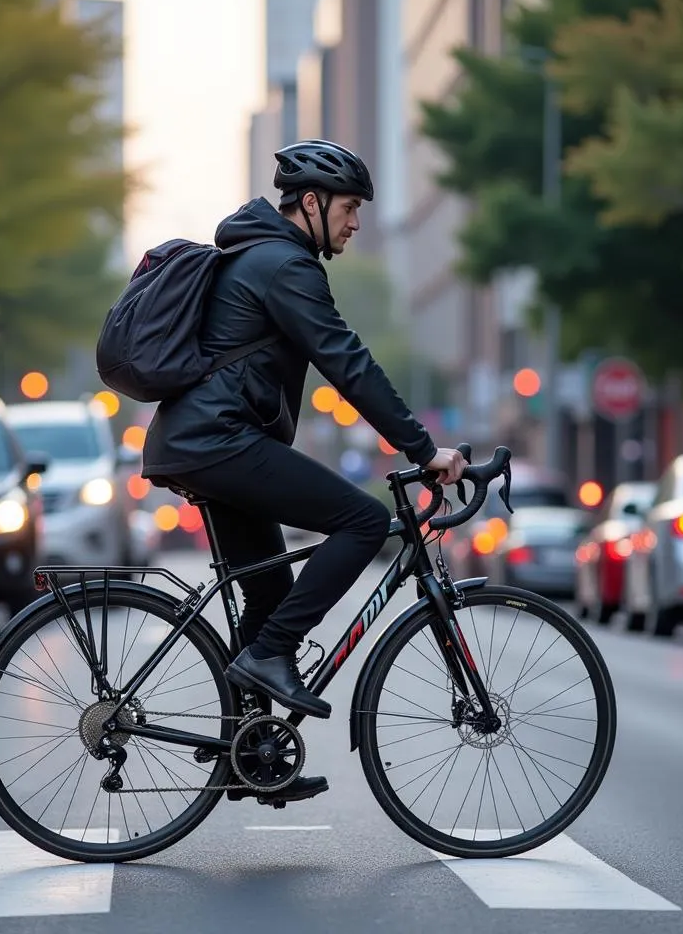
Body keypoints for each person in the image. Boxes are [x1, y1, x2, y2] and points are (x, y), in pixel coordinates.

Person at [141, 139, 466, 802]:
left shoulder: (261, 256)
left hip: (208, 442)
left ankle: (248, 752)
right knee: (364, 520)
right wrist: (422, 449)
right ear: (311, 203)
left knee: (266, 597)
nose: (355, 222)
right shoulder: (284, 265)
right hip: (217, 442)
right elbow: (346, 363)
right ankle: (267, 658)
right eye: (349, 208)